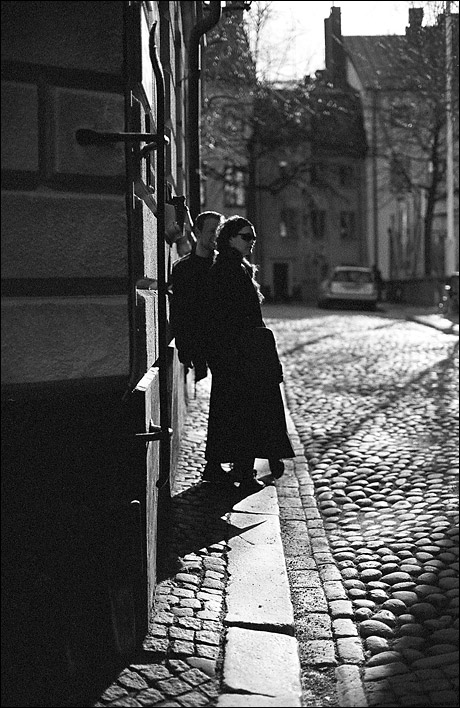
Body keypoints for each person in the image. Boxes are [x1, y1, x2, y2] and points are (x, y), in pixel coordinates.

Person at [203, 215, 295, 495]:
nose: (251, 242)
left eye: (253, 237)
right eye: (246, 237)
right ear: (230, 238)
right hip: (237, 354)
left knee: (232, 411)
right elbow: (227, 316)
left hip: (238, 352)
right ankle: (242, 472)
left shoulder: (235, 266)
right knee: (245, 413)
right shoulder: (228, 269)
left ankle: (222, 467)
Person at [169, 210, 231, 485]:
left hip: (225, 345)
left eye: (219, 231)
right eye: (211, 231)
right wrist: (188, 350)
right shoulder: (183, 269)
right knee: (218, 406)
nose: (215, 236)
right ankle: (214, 464)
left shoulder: (225, 266)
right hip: (202, 345)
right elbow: (180, 313)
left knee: (225, 406)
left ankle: (222, 462)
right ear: (197, 232)